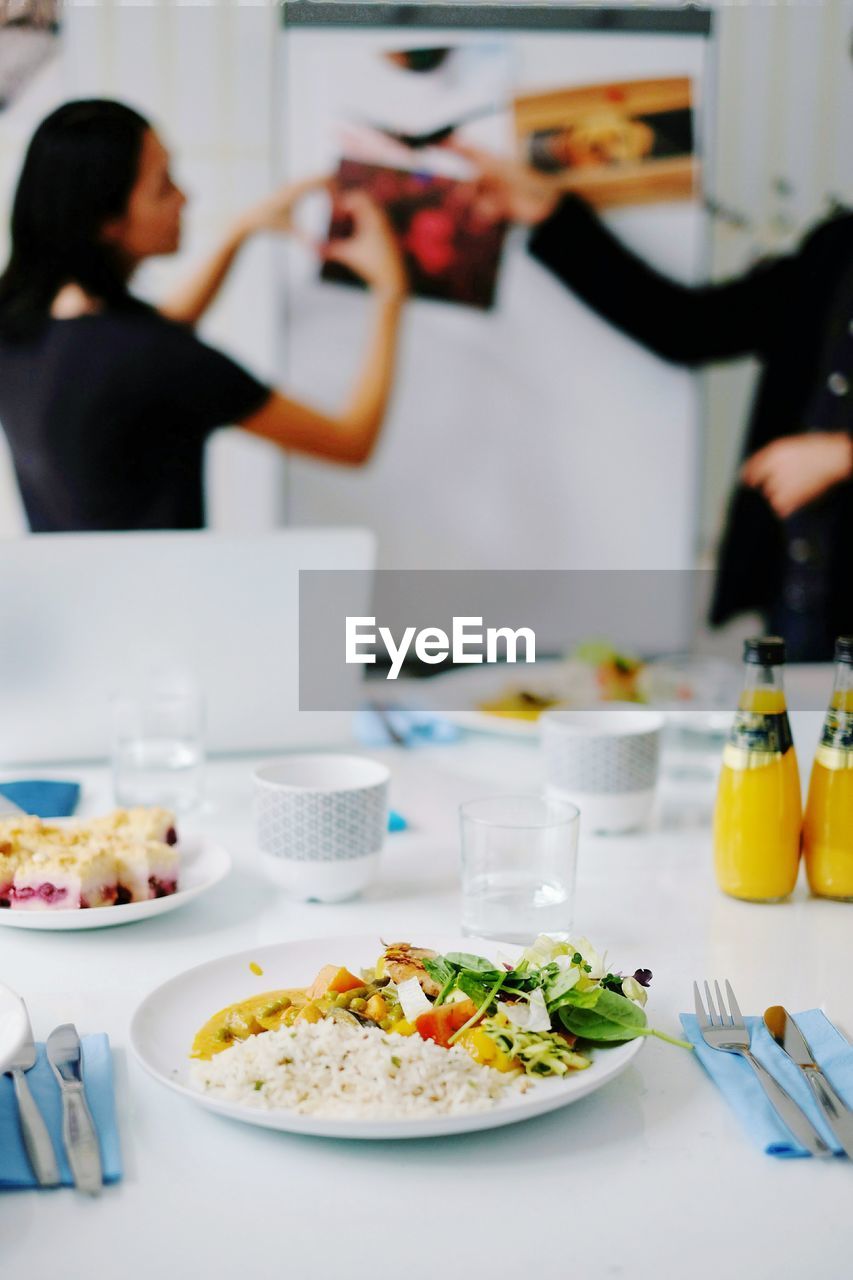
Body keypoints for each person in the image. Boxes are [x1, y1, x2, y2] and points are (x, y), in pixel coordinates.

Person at [456, 143, 853, 661]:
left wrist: (841, 454)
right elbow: (688, 326)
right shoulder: (837, 248)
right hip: (803, 602)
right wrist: (551, 215)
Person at [0, 100, 407, 532]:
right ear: (108, 223)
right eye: (163, 186)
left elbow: (143, 343)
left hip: (75, 590)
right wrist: (390, 292)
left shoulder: (20, 325)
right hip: (168, 596)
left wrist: (242, 231)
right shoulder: (158, 359)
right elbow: (352, 441)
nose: (185, 197)